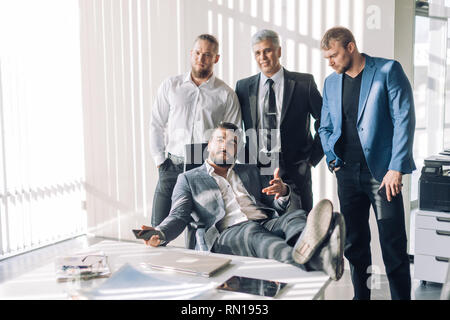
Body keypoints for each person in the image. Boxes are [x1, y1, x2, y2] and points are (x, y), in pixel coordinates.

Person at [141, 122, 345, 281]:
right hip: (227, 233)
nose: (225, 145)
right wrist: (159, 233)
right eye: (220, 140)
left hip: (265, 221)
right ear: (209, 145)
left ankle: (313, 250)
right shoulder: (189, 178)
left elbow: (273, 204)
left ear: (236, 150)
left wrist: (282, 192)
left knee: (296, 216)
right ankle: (317, 261)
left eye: (232, 142)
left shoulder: (249, 171)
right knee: (252, 233)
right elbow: (179, 214)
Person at [318, 26, 416, 300]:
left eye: (334, 55)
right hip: (346, 174)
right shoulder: (330, 82)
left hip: (383, 175)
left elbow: (404, 120)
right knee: (354, 245)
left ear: (350, 47)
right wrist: (332, 158)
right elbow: (324, 127)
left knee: (393, 244)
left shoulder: (387, 71)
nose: (331, 62)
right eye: (327, 57)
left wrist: (396, 167)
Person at [150, 34, 242, 227]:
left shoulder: (226, 94)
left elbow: (233, 137)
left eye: (207, 54)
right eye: (198, 53)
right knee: (158, 228)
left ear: (216, 58)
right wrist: (160, 162)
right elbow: (157, 123)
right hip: (172, 166)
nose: (201, 59)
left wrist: (222, 170)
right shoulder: (171, 86)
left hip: (205, 170)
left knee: (199, 230)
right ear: (191, 54)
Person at [235, 29, 323, 213]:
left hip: (296, 171)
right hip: (257, 171)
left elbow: (325, 121)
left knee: (300, 227)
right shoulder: (243, 87)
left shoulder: (303, 83)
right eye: (258, 53)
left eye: (267, 50)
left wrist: (311, 160)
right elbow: (236, 126)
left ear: (279, 51)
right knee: (263, 226)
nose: (263, 57)